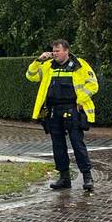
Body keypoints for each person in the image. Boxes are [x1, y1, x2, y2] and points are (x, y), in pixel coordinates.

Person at [26, 39, 98, 191]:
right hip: (54, 111)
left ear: (66, 51)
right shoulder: (47, 66)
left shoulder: (79, 65)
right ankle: (64, 178)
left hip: (73, 110)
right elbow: (30, 76)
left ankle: (87, 177)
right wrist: (38, 60)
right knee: (58, 146)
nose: (55, 53)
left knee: (77, 144)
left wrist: (81, 100)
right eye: (54, 50)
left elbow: (92, 84)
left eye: (58, 50)